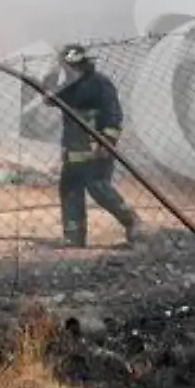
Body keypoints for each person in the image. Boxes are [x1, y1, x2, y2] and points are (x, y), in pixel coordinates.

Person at [50, 43, 139, 248]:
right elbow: (49, 99)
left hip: (97, 150)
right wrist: (51, 83)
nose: (69, 70)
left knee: (98, 187)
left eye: (71, 67)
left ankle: (132, 221)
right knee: (70, 190)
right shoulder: (68, 88)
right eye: (66, 67)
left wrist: (107, 141)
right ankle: (74, 237)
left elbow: (113, 114)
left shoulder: (100, 84)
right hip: (74, 152)